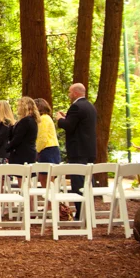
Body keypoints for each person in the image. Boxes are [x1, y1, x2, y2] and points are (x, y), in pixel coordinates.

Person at [56, 83, 98, 220]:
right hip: (89, 150)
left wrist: (60, 119)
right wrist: (67, 117)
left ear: (75, 93)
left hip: (78, 150)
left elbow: (69, 126)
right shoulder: (90, 107)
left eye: (69, 92)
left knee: (78, 184)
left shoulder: (76, 106)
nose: (69, 95)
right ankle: (88, 212)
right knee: (88, 182)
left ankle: (81, 214)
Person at [7, 97, 39, 166]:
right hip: (29, 152)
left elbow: (17, 138)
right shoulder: (33, 120)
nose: (17, 108)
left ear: (24, 107)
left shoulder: (25, 121)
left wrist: (7, 148)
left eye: (18, 106)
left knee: (21, 175)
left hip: (22, 154)